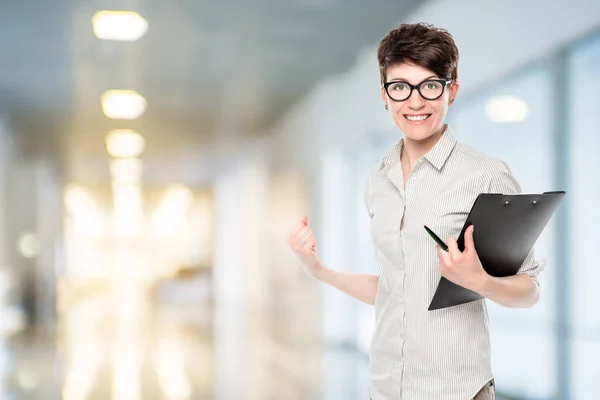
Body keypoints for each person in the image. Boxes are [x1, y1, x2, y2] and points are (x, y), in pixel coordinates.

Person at [286, 22, 545, 400]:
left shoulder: (485, 174)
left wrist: (480, 281)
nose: (416, 101)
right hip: (386, 388)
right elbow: (395, 290)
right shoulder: (377, 180)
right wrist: (318, 270)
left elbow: (530, 289)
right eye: (400, 87)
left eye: (430, 85)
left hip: (457, 390)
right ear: (385, 95)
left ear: (451, 91)